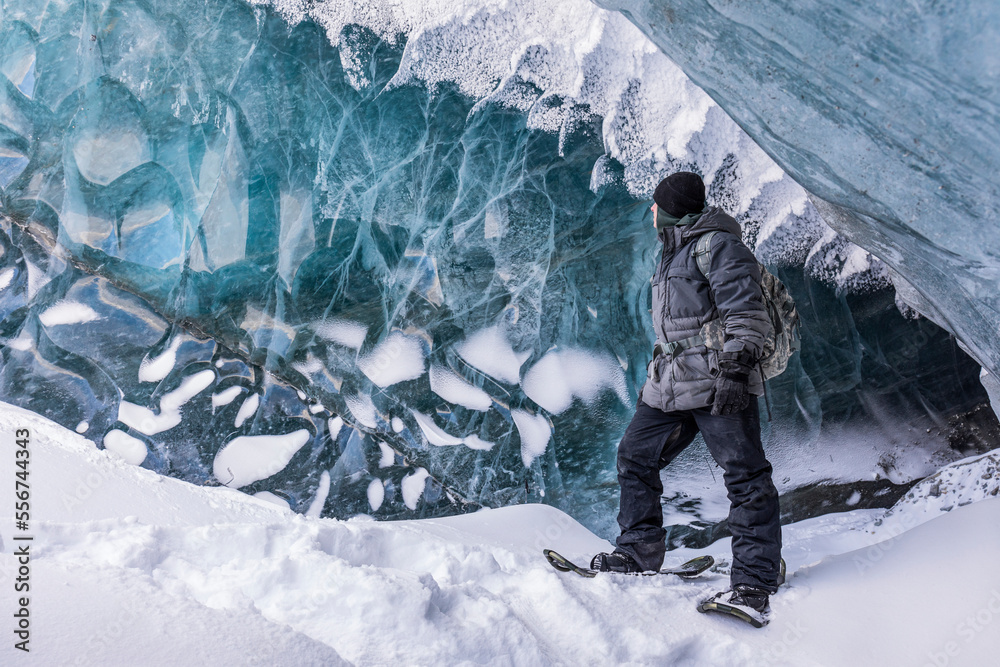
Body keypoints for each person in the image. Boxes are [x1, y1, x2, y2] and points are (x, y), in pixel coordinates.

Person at [591, 171, 782, 616]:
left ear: (673, 208)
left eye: (657, 204)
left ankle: (755, 581)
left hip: (717, 382)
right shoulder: (674, 249)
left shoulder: (718, 246)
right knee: (634, 456)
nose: (652, 211)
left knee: (746, 477)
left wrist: (736, 371)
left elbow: (745, 311)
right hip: (670, 384)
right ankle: (638, 552)